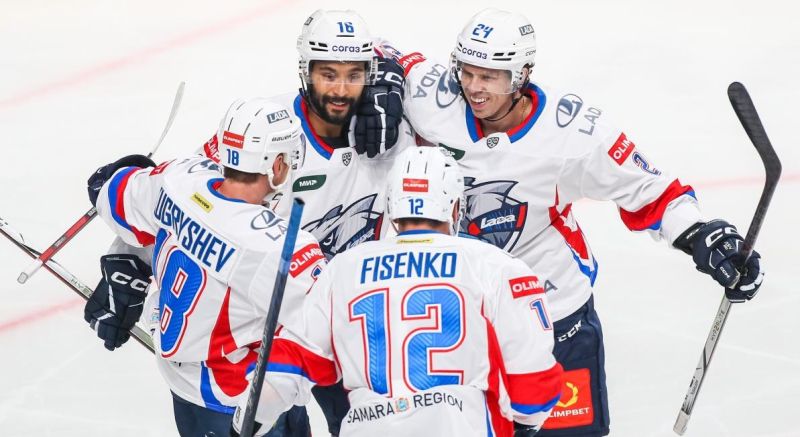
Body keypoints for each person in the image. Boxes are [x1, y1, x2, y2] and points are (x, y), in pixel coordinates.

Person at [380, 8, 766, 436]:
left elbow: (652, 193)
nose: (473, 87)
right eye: (467, 72)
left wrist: (702, 236)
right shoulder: (433, 94)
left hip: (553, 313)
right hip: (458, 313)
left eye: (489, 76)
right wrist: (385, 77)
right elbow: (377, 52)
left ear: (522, 74)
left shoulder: (574, 132)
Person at [231, 146, 564, 437]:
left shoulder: (343, 268)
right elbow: (532, 382)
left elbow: (285, 369)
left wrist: (246, 421)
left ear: (391, 206)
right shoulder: (496, 267)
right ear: (454, 207)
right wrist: (525, 422)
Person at [197, 10, 414, 435]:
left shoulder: (393, 130)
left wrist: (393, 73)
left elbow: (448, 78)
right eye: (328, 74)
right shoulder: (265, 128)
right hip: (266, 329)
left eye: (354, 75)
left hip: (348, 324)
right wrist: (128, 256)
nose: (341, 90)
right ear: (305, 71)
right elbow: (194, 194)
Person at [84, 97, 327, 436]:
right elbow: (332, 325)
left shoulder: (178, 179)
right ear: (276, 165)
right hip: (242, 405)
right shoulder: (278, 246)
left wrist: (123, 174)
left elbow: (107, 188)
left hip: (183, 392)